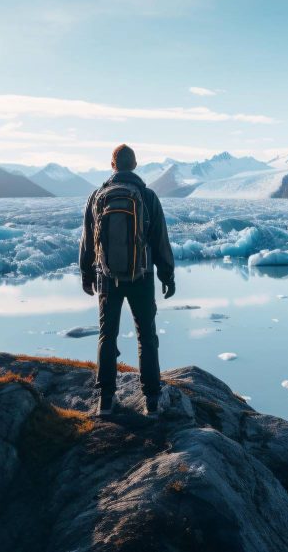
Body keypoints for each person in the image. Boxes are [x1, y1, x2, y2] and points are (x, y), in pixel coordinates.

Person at [80, 144, 175, 418]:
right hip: (141, 276)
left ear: (113, 165)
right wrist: (166, 276)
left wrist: (87, 274)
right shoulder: (147, 196)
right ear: (134, 165)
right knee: (147, 337)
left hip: (107, 277)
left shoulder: (97, 196)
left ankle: (106, 400)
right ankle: (152, 400)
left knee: (106, 334)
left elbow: (88, 240)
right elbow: (160, 240)